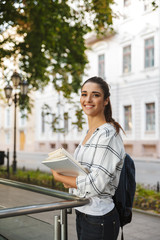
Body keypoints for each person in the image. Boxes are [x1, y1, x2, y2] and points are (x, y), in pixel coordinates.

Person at [51, 76, 126, 240]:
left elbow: (96, 185)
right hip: (84, 212)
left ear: (106, 100)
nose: (88, 99)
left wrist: (61, 177)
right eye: (84, 94)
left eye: (95, 95)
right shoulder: (90, 133)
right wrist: (68, 174)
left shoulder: (107, 135)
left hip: (99, 217)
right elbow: (85, 174)